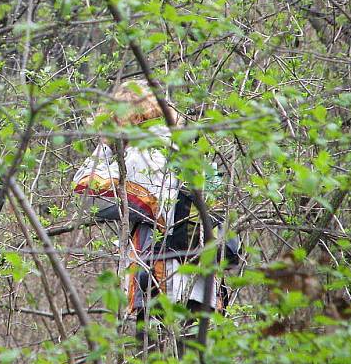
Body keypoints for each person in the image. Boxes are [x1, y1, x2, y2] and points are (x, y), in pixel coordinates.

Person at [72, 79, 237, 321]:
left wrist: (105, 146)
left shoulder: (141, 155)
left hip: (161, 287)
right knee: (197, 357)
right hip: (207, 292)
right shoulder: (193, 153)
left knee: (155, 357)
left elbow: (84, 192)